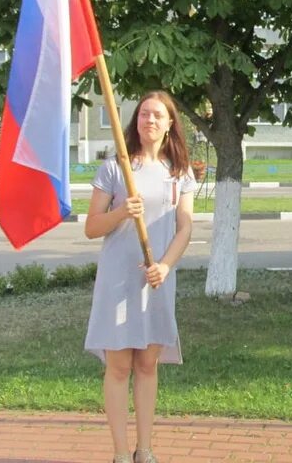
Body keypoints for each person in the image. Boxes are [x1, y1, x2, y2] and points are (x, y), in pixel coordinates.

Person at [84, 91, 196, 463]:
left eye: (157, 116)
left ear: (169, 124)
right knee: (119, 367)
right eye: (144, 114)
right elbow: (91, 227)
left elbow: (185, 228)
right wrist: (120, 213)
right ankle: (119, 452)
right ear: (135, 122)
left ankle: (144, 449)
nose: (150, 120)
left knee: (147, 365)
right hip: (118, 279)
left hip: (157, 279)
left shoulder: (179, 172)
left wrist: (165, 265)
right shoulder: (117, 168)